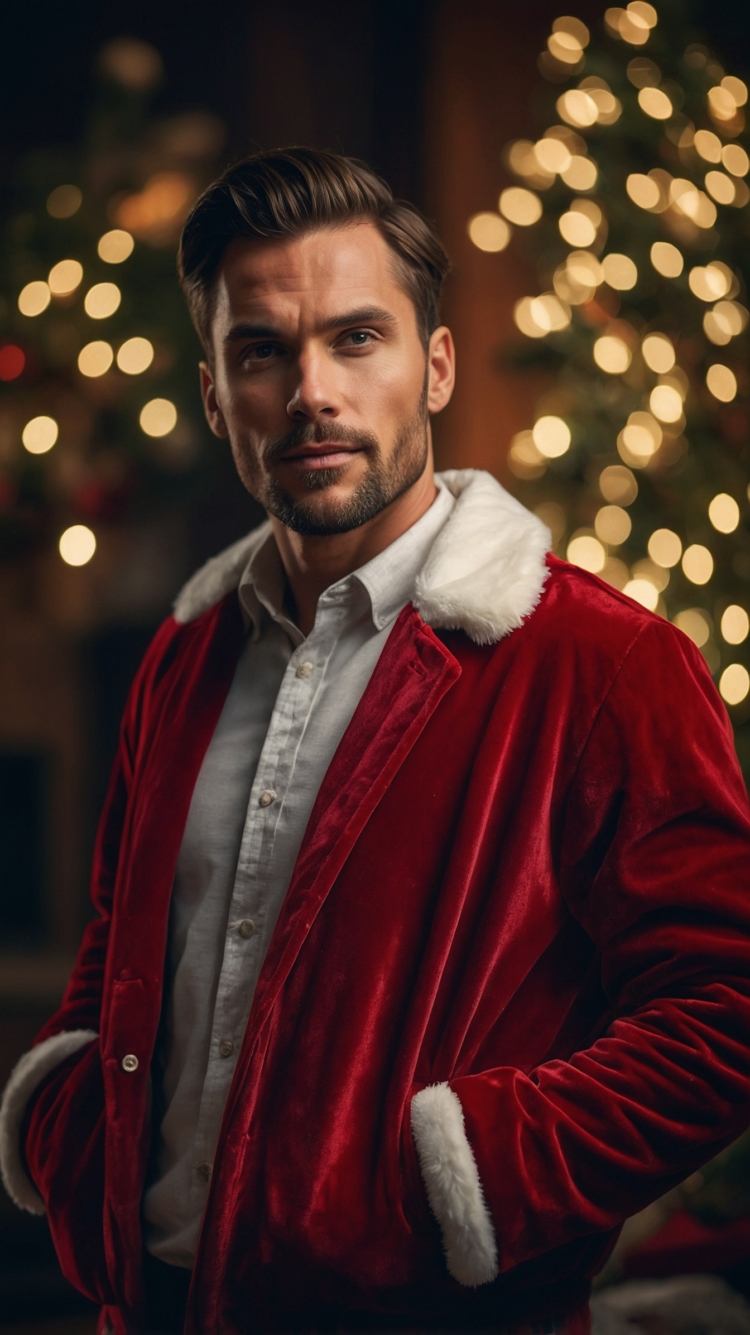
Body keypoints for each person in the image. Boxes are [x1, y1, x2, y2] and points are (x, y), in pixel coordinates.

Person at [2, 147, 750, 1335]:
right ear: (214, 395)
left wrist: (463, 1184)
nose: (312, 391)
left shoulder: (602, 666)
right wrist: (64, 1119)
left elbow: (724, 1008)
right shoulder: (181, 661)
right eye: (262, 351)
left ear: (435, 364)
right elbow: (118, 947)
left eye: (357, 338)